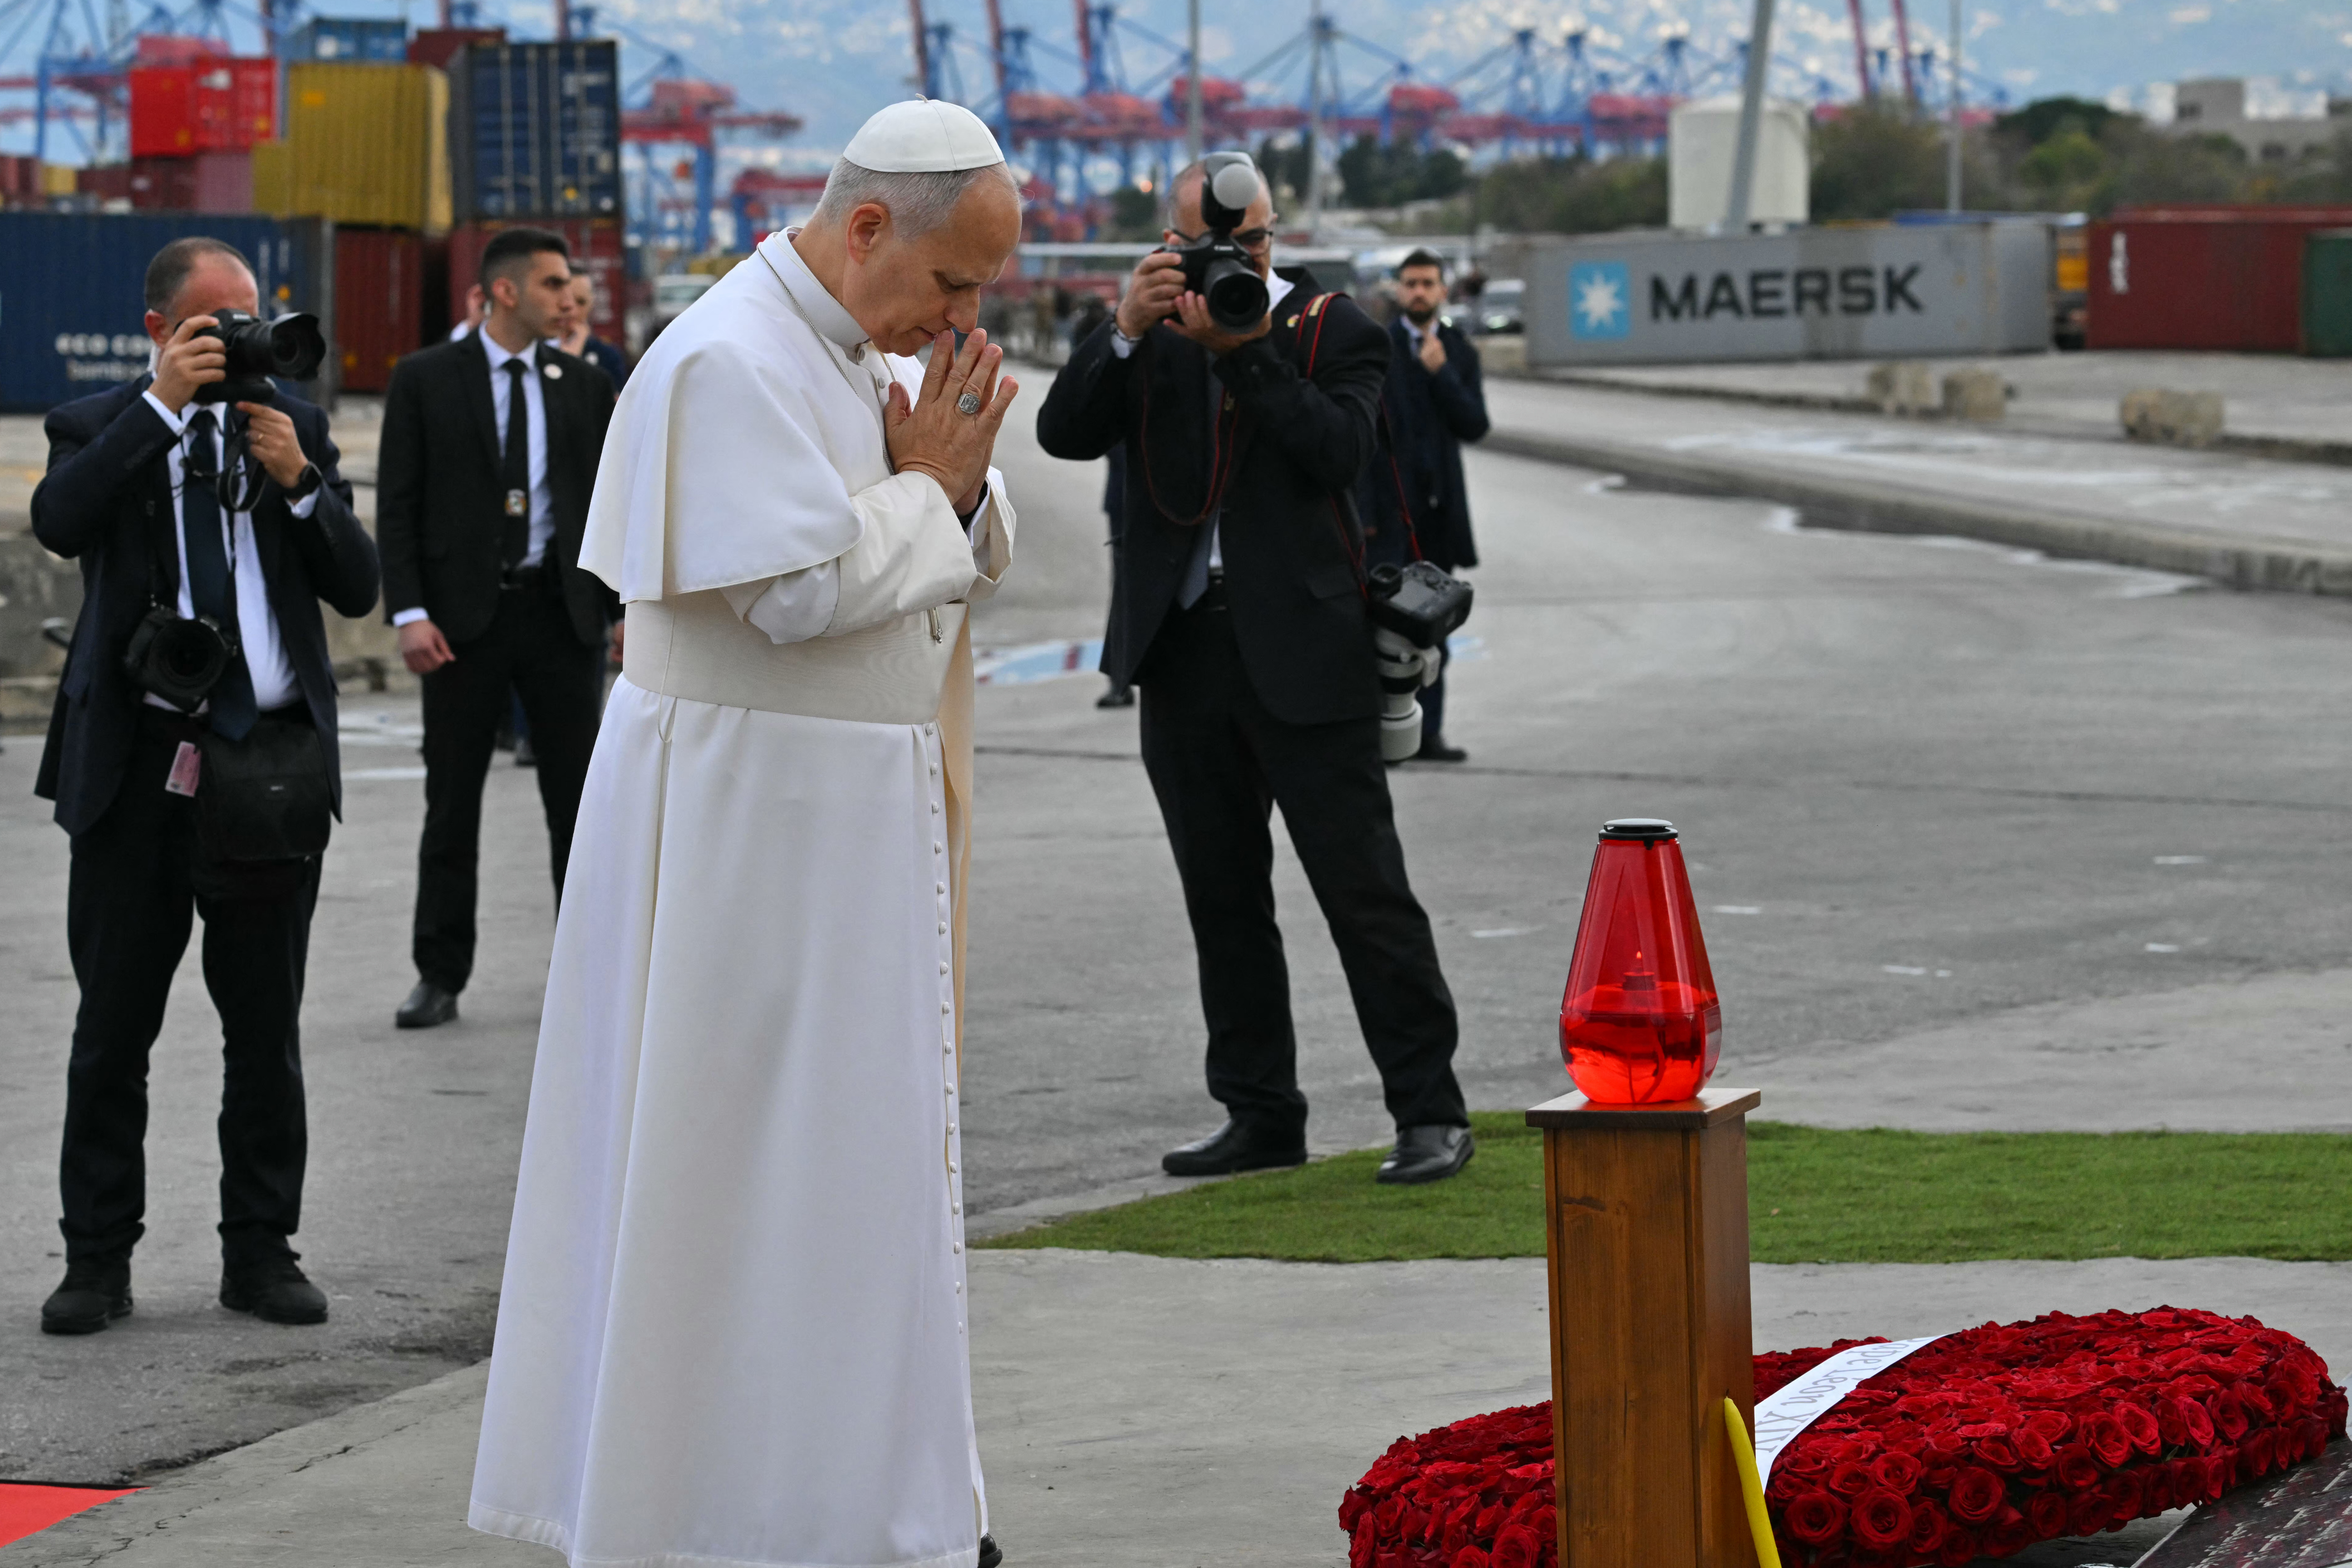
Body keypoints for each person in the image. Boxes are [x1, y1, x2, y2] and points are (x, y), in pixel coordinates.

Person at [467, 100, 1021, 1568]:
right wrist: (937, 486)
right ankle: (719, 1507)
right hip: (752, 831)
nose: (960, 319)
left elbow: (929, 515)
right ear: (863, 229)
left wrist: (943, 480)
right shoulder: (725, 357)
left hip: (829, 823)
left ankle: (865, 1498)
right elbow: (794, 591)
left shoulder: (843, 346)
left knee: (851, 1178)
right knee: (737, 1180)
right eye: (953, 284)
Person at [1035, 156, 1473, 1187]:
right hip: (1182, 651)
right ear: (1166, 247)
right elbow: (1062, 434)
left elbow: (1336, 452)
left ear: (1277, 236)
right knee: (1220, 898)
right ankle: (1260, 1110)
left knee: (1364, 891)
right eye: (1207, 248)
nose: (1236, 262)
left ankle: (1428, 1110)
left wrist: (1243, 351)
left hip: (1307, 652)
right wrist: (1130, 330)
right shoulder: (1147, 334)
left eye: (1253, 243)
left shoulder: (1334, 330)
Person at [29, 236, 380, 1333]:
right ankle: (96, 1259)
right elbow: (58, 521)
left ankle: (261, 1250)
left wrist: (301, 482)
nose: (239, 338)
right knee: (111, 1033)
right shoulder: (99, 423)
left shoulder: (295, 427)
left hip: (266, 772)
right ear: (157, 331)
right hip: (136, 774)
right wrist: (162, 411)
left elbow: (358, 586)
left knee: (264, 1034)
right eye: (212, 323)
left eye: (249, 317)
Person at [376, 228, 618, 1031]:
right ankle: (439, 973)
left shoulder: (583, 386)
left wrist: (618, 614)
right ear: (506, 293)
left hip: (560, 619)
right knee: (452, 807)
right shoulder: (424, 380)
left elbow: (610, 508)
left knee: (576, 807)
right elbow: (399, 505)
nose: (569, 300)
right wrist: (409, 612)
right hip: (460, 625)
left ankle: (588, 973)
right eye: (553, 285)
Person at [1361, 248, 1488, 763]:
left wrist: (1442, 374)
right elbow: (1362, 439)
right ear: (1399, 289)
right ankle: (1379, 737)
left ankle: (1427, 733)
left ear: (1441, 290)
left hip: (1438, 517)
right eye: (1410, 283)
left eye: (1428, 283)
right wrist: (1364, 517)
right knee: (1381, 634)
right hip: (1387, 519)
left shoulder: (1457, 350)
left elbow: (1475, 425)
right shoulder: (1374, 349)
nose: (1418, 292)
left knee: (1433, 630)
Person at [552, 270, 630, 392]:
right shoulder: (532, 352)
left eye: (581, 302)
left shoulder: (608, 357)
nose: (573, 311)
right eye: (566, 302)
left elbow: (614, 407)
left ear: (592, 304)